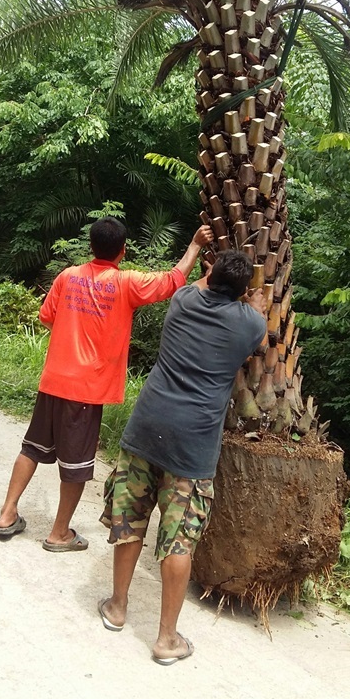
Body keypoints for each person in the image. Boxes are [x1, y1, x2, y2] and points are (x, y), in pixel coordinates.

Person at [0, 217, 213, 550]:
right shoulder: (126, 283)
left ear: (91, 246)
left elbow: (47, 317)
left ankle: (7, 514)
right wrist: (195, 244)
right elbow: (173, 281)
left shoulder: (67, 276)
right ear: (122, 251)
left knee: (32, 448)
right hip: (86, 390)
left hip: (53, 380)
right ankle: (59, 534)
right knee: (77, 465)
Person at [98, 249, 267, 663]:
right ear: (243, 292)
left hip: (146, 430)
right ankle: (166, 639)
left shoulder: (183, 300)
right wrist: (256, 303)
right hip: (191, 448)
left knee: (130, 519)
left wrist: (204, 263)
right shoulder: (251, 322)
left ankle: (118, 607)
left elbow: (198, 282)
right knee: (178, 541)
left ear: (210, 276)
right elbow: (256, 342)